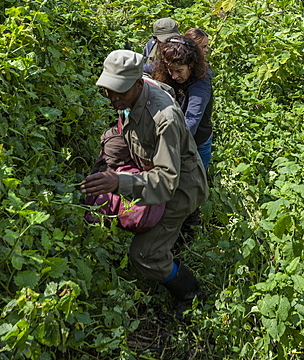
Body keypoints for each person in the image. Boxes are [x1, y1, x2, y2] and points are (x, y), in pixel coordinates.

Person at [81, 50, 209, 314]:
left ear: (138, 85)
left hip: (180, 188)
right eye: (109, 90)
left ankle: (192, 297)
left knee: (145, 255)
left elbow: (165, 182)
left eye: (121, 92)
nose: (114, 98)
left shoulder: (165, 119)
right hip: (153, 173)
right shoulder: (136, 91)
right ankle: (176, 241)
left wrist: (119, 183)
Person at [145, 35, 214, 170]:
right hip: (171, 133)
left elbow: (191, 121)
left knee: (195, 184)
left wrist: (164, 147)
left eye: (179, 71)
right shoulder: (165, 66)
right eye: (170, 70)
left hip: (197, 142)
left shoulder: (201, 84)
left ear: (191, 65)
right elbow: (140, 70)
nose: (174, 76)